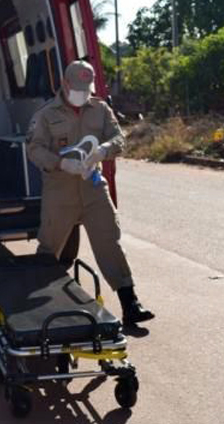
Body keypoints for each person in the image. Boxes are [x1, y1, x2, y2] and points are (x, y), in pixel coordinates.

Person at [26, 60, 154, 326]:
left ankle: (130, 303)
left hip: (93, 188)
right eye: (79, 89)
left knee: (110, 242)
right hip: (60, 192)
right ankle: (34, 310)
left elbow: (120, 138)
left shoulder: (100, 109)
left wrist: (104, 149)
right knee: (50, 248)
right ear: (65, 84)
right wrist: (61, 163)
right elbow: (34, 149)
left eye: (88, 88)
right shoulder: (46, 114)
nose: (84, 94)